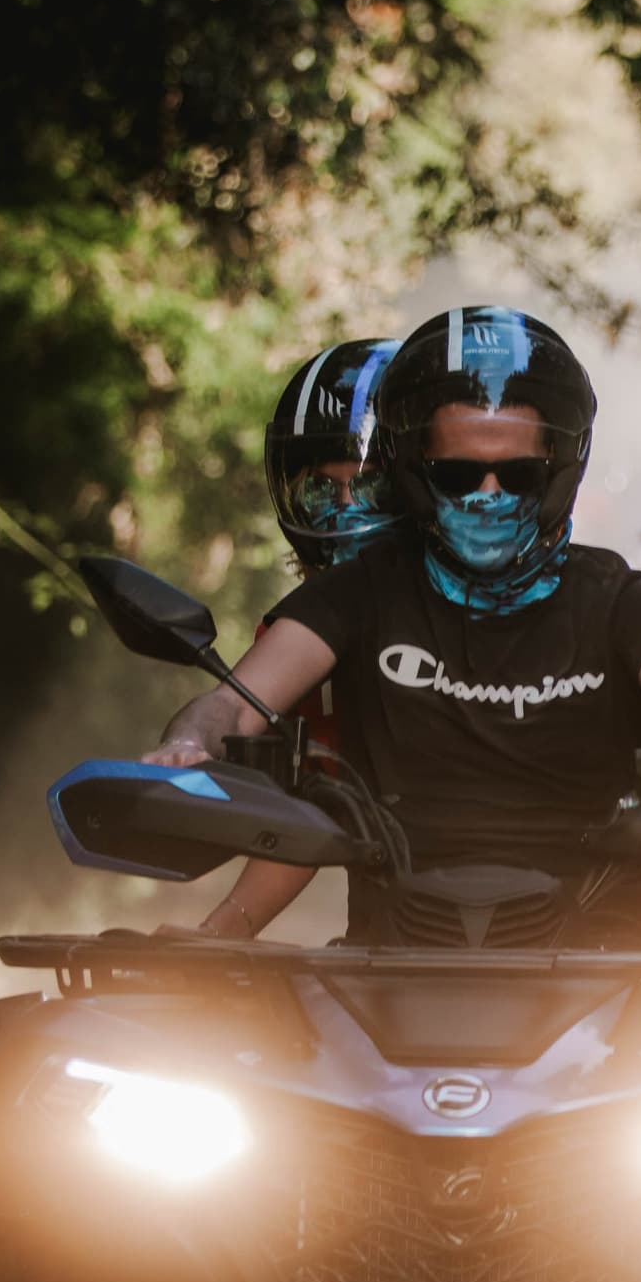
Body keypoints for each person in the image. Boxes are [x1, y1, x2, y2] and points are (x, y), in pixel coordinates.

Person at [150, 305, 641, 943]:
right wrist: (186, 750)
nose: (488, 495)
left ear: (556, 472)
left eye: (518, 474)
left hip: (599, 971)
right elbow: (242, 716)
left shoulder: (615, 599)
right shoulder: (356, 596)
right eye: (459, 474)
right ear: (421, 473)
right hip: (391, 971)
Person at [179, 338, 396, 940]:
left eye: (374, 488)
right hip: (392, 953)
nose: (346, 511)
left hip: (572, 955)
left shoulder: (533, 609)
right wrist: (218, 935)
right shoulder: (306, 636)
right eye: (323, 490)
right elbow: (317, 801)